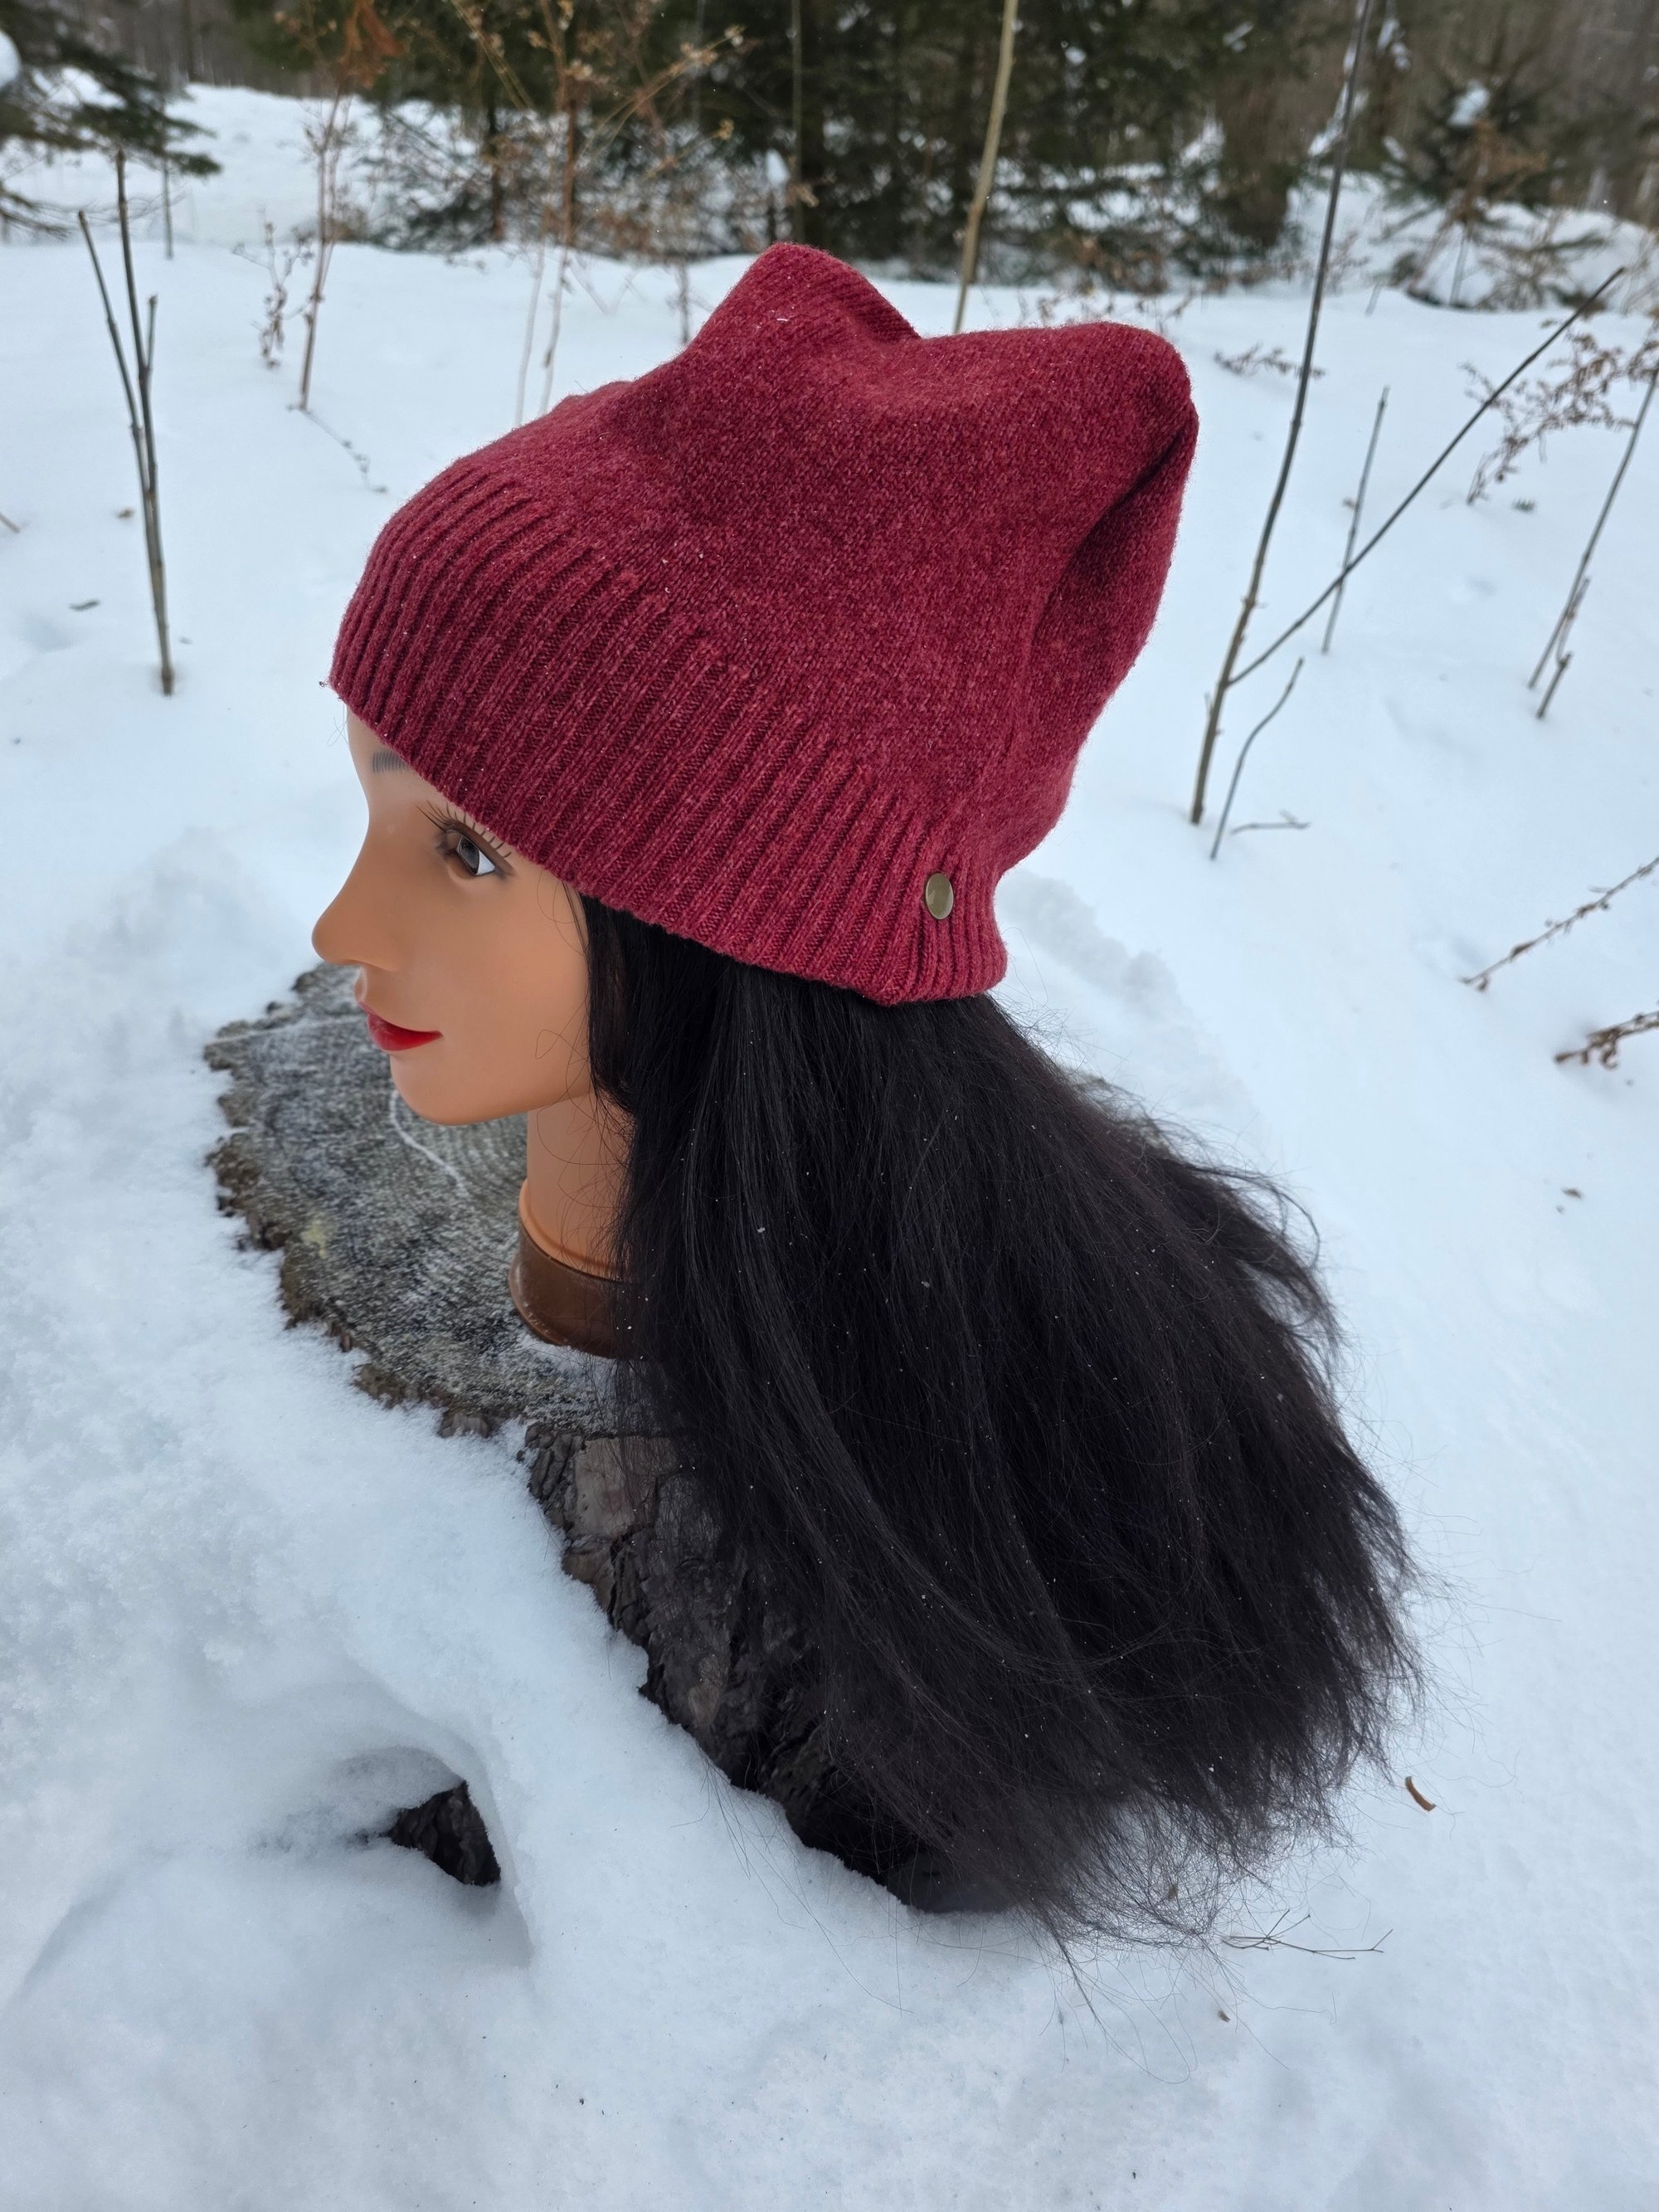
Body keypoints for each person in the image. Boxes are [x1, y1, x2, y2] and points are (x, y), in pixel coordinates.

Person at [314, 243, 1414, 1946]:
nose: (340, 928)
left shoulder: (933, 1456)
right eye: (375, 801)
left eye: (466, 851)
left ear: (744, 931)